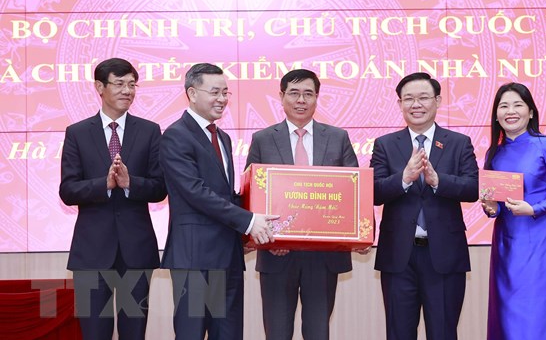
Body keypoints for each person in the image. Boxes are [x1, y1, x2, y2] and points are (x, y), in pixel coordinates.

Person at [159, 63, 278, 340]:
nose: (222, 99)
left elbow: (224, 194)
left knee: (229, 334)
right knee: (191, 334)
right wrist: (249, 221)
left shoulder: (222, 137)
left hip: (228, 255)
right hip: (194, 258)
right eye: (215, 92)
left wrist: (263, 216)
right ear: (192, 93)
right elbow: (195, 191)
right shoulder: (176, 135)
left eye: (226, 92)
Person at [245, 69, 359, 340]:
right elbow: (251, 193)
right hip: (276, 253)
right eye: (294, 93)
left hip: (323, 256)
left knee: (318, 332)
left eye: (308, 94)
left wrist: (360, 233)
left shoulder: (338, 137)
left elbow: (354, 190)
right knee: (277, 333)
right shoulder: (262, 139)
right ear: (281, 96)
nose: (301, 100)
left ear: (317, 97)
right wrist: (268, 239)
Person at [59, 57, 167, 340]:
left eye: (132, 85)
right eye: (119, 84)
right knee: (94, 333)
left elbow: (160, 188)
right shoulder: (77, 133)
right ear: (100, 87)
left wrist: (131, 183)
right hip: (91, 251)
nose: (127, 91)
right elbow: (67, 190)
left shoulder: (150, 130)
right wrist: (103, 185)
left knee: (134, 333)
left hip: (136, 249)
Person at [370, 72, 479, 340]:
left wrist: (439, 181)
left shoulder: (458, 142)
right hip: (398, 256)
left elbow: (474, 188)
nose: (416, 104)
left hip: (444, 255)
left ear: (437, 101)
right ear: (400, 104)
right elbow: (374, 192)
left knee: (443, 333)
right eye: (408, 99)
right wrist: (404, 178)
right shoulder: (385, 144)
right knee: (399, 333)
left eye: (423, 98)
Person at [481, 82, 546, 340]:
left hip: (541, 239)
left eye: (517, 105)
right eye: (504, 106)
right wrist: (491, 209)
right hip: (505, 243)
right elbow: (496, 204)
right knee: (506, 311)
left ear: (530, 111)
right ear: (496, 115)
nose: (510, 111)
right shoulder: (494, 153)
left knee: (540, 308)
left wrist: (534, 208)